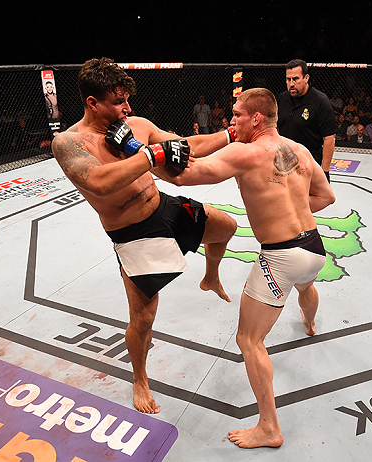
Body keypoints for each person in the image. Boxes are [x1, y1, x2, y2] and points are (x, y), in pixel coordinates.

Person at [50, 57, 238, 414]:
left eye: (126, 99)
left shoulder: (134, 124)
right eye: (118, 101)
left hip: (163, 206)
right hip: (133, 233)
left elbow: (185, 146)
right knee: (144, 318)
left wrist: (230, 135)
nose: (127, 108)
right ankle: (139, 378)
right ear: (93, 103)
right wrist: (151, 155)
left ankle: (210, 276)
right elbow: (99, 182)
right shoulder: (69, 142)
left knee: (225, 226)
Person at [158, 88, 336, 449]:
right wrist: (290, 213)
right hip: (314, 247)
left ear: (256, 118)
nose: (231, 120)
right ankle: (310, 324)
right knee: (305, 288)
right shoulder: (300, 150)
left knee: (249, 340)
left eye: (237, 114)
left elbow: (181, 177)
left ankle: (269, 427)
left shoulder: (245, 151)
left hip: (281, 256)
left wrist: (142, 154)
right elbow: (327, 196)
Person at [277, 59, 337, 181]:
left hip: (309, 163)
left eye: (296, 79)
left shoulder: (320, 101)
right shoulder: (282, 98)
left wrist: (325, 171)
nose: (291, 83)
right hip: (284, 163)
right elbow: (275, 129)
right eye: (288, 79)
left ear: (306, 78)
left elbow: (329, 138)